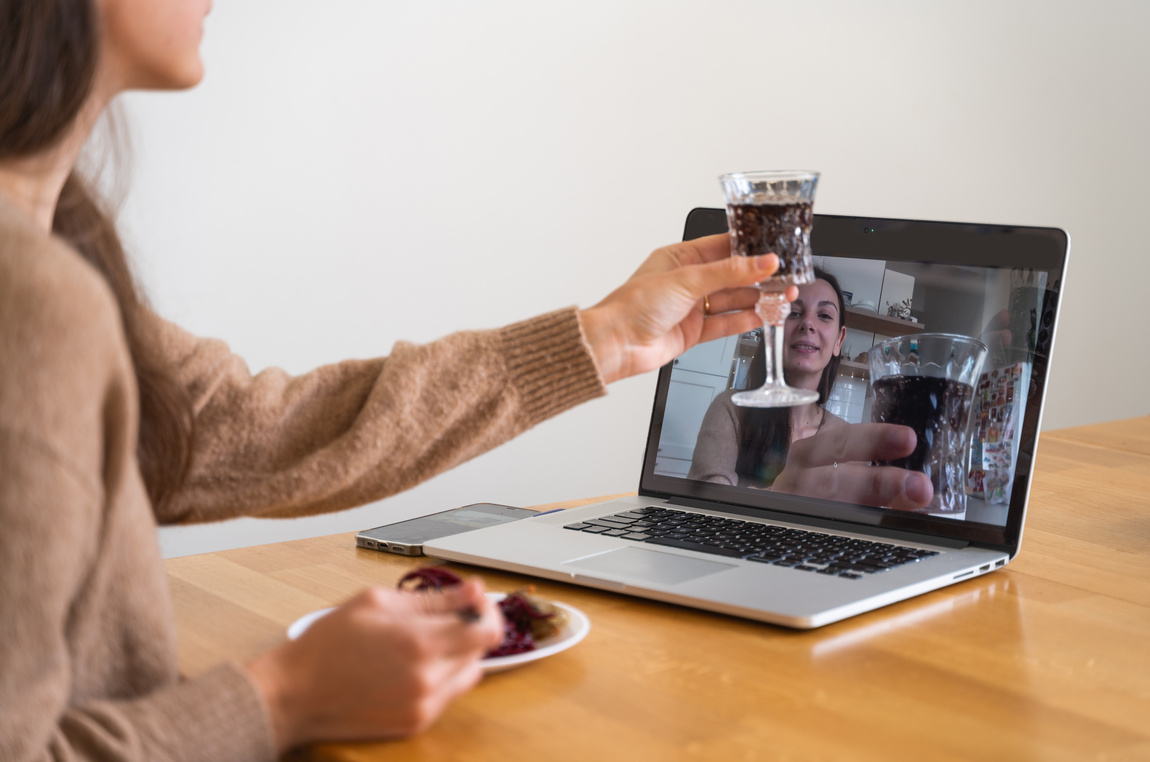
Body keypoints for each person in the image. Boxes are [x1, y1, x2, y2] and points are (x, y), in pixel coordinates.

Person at [0, 2, 792, 759]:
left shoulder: (58, 238)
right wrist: (284, 698)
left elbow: (236, 429)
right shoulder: (30, 296)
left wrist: (606, 339)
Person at [688, 269, 934, 510]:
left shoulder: (847, 440)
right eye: (793, 312)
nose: (807, 323)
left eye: (825, 315)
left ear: (839, 340)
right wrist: (782, 494)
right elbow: (704, 501)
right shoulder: (731, 408)